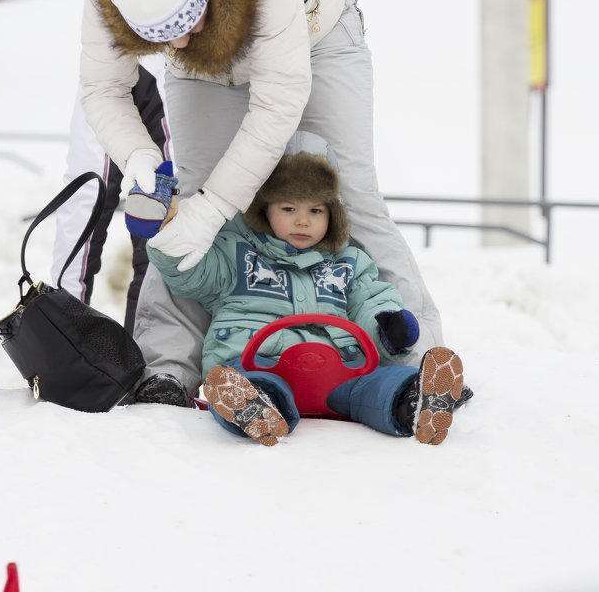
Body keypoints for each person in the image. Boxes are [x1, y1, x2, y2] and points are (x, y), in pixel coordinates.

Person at [79, 0, 444, 406]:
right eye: (164, 36)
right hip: (204, 75)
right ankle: (167, 371)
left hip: (316, 34)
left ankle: (421, 367)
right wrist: (139, 155)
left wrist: (217, 208)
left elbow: (277, 106)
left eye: (187, 22)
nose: (179, 42)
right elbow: (102, 88)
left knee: (350, 196)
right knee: (190, 204)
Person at [147, 132, 471, 446]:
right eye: (289, 209)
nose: (303, 221)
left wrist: (388, 326)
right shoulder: (236, 253)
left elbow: (369, 299)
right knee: (248, 378)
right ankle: (249, 404)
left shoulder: (349, 261)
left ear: (333, 213)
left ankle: (415, 401)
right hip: (259, 359)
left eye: (315, 210)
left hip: (340, 369)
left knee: (379, 384)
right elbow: (191, 273)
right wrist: (173, 235)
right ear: (264, 208)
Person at [51, 56, 171, 334]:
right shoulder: (113, 57)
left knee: (164, 239)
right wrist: (65, 328)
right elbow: (87, 196)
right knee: (160, 234)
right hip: (130, 67)